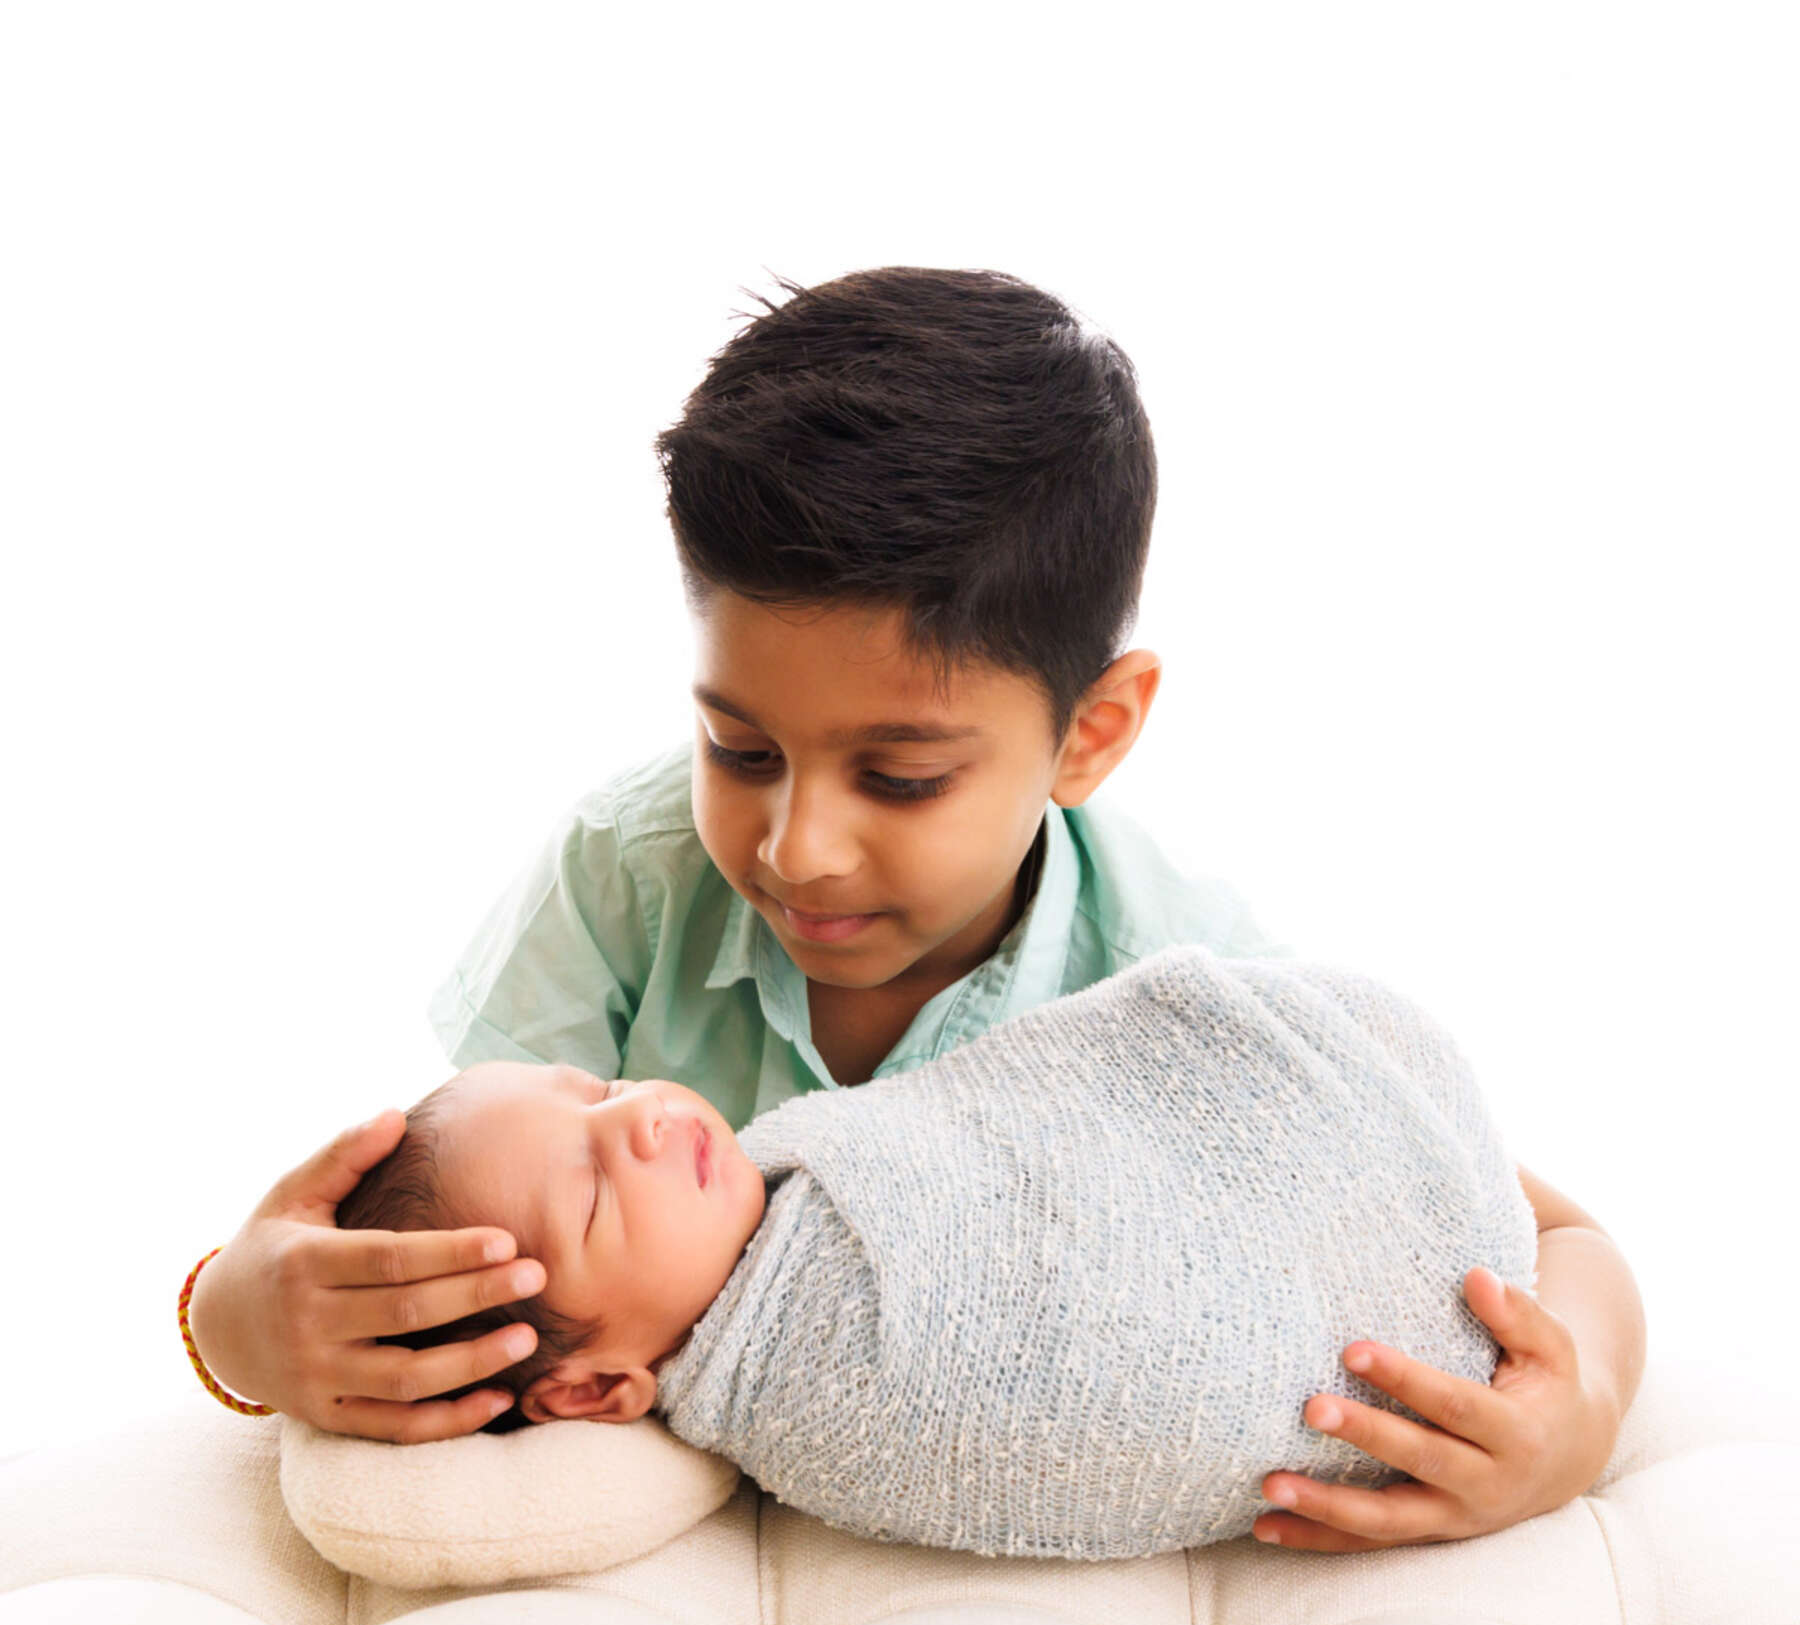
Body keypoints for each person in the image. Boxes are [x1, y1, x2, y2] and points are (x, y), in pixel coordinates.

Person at [185, 266, 1644, 1554]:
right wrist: (234, 1323)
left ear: (1090, 733)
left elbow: (1546, 1232)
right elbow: (464, 1228)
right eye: (739, 749)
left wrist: (1572, 1409)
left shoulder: (1176, 984)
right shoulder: (627, 876)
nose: (798, 848)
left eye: (899, 778)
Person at [331, 947, 1544, 1558]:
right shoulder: (832, 1371)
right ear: (594, 1390)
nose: (643, 1116)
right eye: (596, 1191)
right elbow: (1092, 1359)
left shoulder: (800, 1158)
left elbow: (1048, 1127)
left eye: (598, 1090)